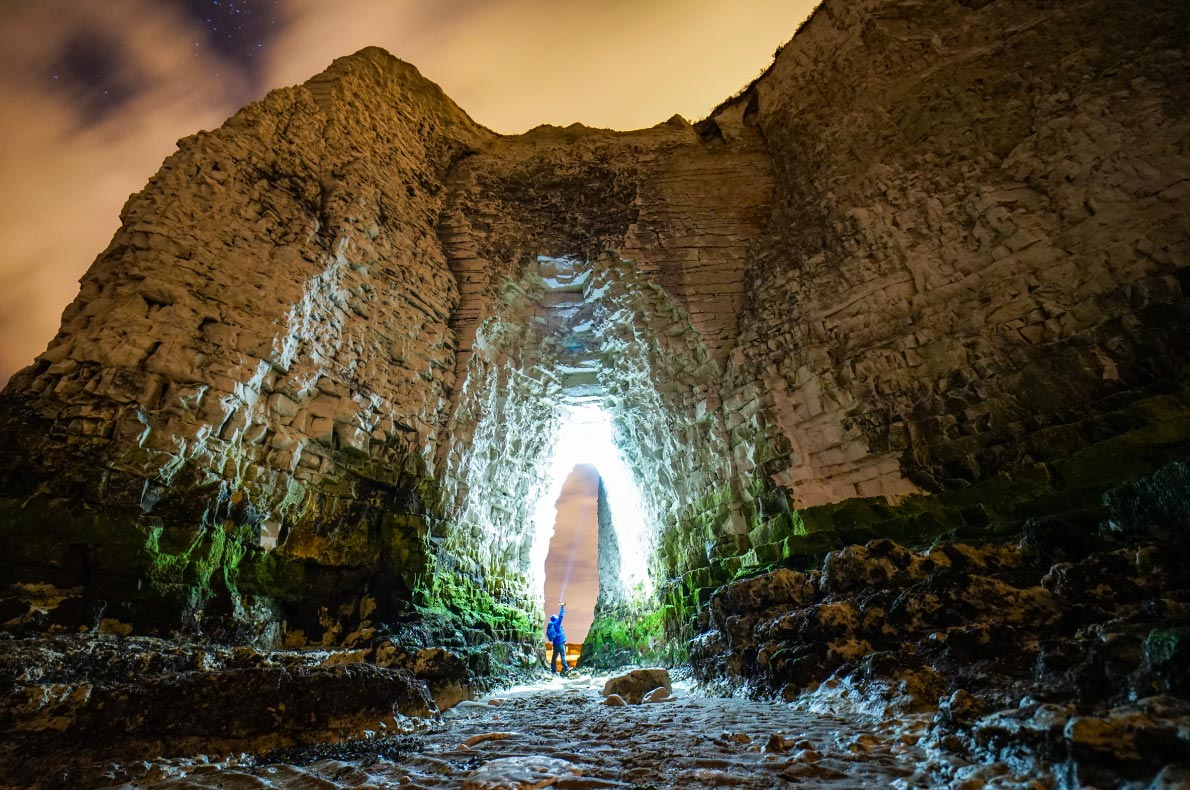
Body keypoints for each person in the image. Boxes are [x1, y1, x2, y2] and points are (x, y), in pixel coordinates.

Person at [547, 602, 567, 674]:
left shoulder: (550, 625)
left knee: (554, 657)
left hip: (555, 644)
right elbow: (561, 616)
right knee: (563, 655)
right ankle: (566, 668)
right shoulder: (556, 623)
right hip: (561, 642)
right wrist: (562, 607)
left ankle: (553, 670)